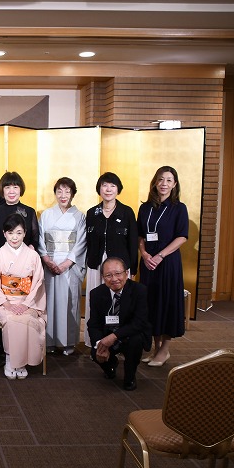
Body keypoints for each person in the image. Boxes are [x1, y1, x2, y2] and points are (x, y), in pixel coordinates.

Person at [0, 213, 46, 380]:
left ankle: (22, 362)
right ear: (4, 234)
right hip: (3, 302)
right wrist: (7, 304)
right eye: (10, 233)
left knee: (28, 318)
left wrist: (26, 304)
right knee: (11, 319)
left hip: (28, 301)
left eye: (19, 233)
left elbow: (38, 282)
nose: (14, 237)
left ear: (25, 233)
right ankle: (11, 360)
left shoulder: (33, 256)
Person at [137, 166, 188, 367]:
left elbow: (182, 237)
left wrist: (160, 256)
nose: (164, 184)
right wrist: (144, 254)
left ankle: (165, 349)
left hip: (167, 263)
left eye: (168, 180)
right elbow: (140, 235)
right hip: (148, 263)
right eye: (160, 179)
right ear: (155, 182)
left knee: (167, 304)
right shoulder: (145, 208)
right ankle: (156, 348)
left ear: (174, 184)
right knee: (151, 304)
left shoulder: (179, 208)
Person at [83, 172, 138, 348]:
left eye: (112, 186)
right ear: (99, 188)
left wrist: (133, 269)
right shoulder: (92, 213)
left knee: (119, 302)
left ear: (118, 189)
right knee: (96, 301)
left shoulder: (127, 212)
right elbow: (87, 242)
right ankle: (95, 340)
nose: (108, 189)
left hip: (119, 267)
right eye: (105, 185)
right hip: (96, 264)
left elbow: (133, 242)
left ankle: (118, 341)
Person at [39, 177, 87, 355]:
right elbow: (40, 239)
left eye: (67, 191)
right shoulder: (46, 215)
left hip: (70, 264)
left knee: (69, 302)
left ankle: (68, 342)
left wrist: (67, 263)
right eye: (59, 191)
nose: (63, 195)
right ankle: (50, 341)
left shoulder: (79, 216)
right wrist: (46, 260)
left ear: (73, 194)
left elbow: (81, 242)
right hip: (50, 262)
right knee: (49, 302)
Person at [88, 257, 151, 391]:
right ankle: (110, 366)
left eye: (118, 274)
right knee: (95, 351)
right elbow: (93, 324)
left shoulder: (139, 290)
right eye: (108, 275)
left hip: (130, 334)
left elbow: (139, 322)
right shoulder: (96, 294)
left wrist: (114, 336)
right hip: (108, 333)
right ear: (103, 277)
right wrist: (100, 344)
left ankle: (130, 377)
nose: (114, 279)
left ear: (126, 274)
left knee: (135, 341)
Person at [0, 171, 39, 261]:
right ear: (2, 190)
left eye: (15, 187)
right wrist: (0, 256)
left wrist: (27, 253)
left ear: (21, 189)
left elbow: (35, 239)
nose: (11, 191)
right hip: (1, 260)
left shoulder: (30, 211)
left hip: (25, 259)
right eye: (7, 187)